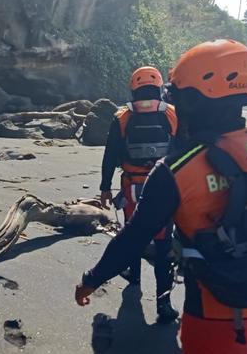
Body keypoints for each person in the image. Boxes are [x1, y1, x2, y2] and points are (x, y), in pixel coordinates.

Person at [76, 39, 247, 354]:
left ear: (195, 101)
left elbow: (133, 237)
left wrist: (91, 279)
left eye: (179, 98)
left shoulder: (175, 170)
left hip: (214, 324)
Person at [99, 66, 179, 324]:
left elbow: (110, 154)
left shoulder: (122, 116)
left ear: (133, 87)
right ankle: (164, 304)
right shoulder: (171, 113)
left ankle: (133, 276)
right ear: (159, 86)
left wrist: (104, 187)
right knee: (164, 242)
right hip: (166, 185)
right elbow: (183, 151)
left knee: (133, 232)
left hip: (131, 185)